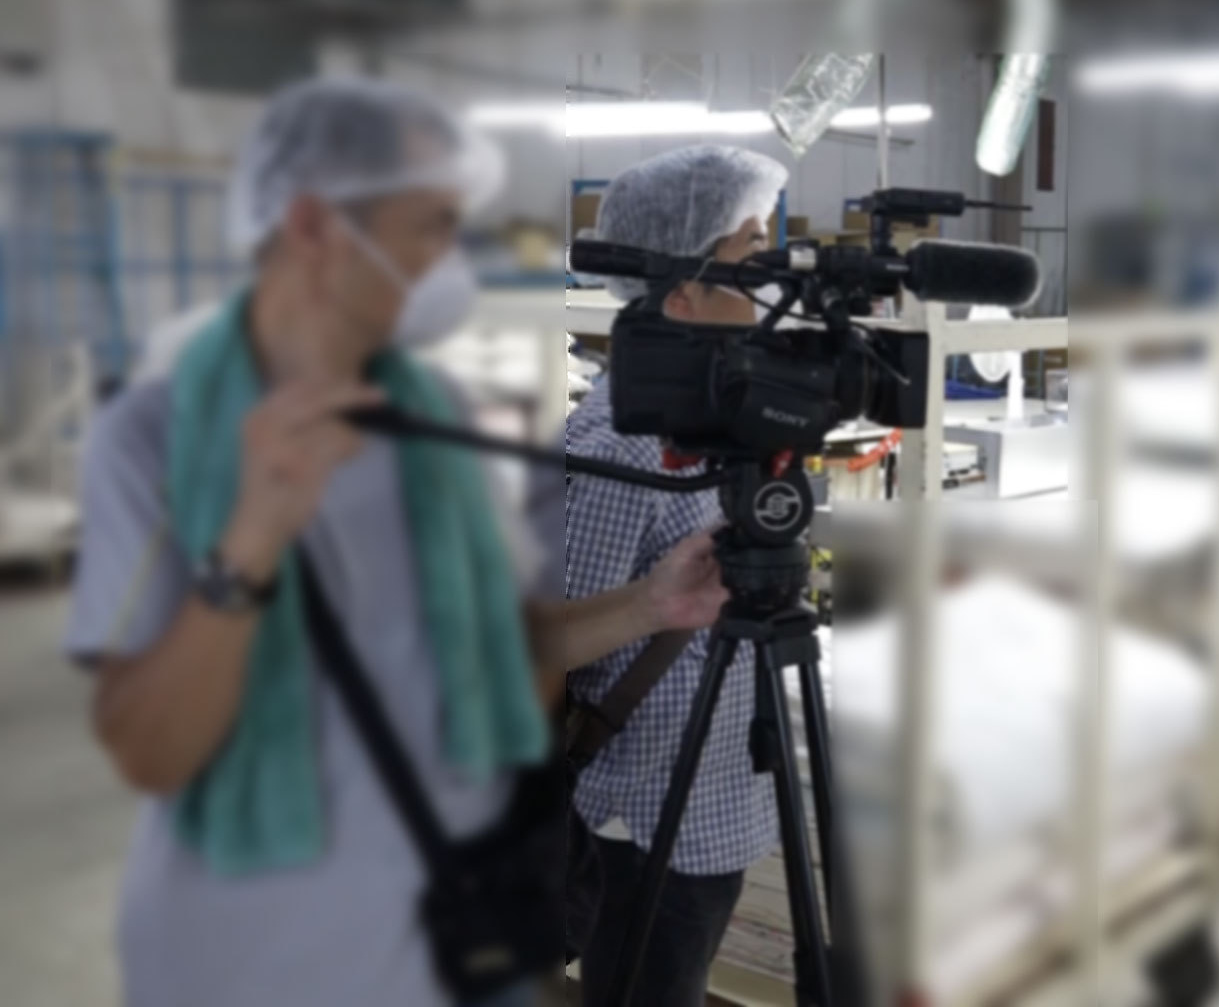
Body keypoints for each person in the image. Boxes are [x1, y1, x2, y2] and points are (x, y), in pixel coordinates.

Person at [65, 76, 729, 1007]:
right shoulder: (156, 434)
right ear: (312, 225)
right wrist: (252, 540)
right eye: (430, 226)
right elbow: (149, 746)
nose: (452, 263)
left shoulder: (429, 409)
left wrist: (651, 603)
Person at [564, 145, 789, 1007]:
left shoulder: (701, 423)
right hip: (647, 814)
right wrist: (655, 601)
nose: (772, 275)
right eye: (751, 250)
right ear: (684, 293)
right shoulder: (621, 447)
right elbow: (551, 641)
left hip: (707, 794)